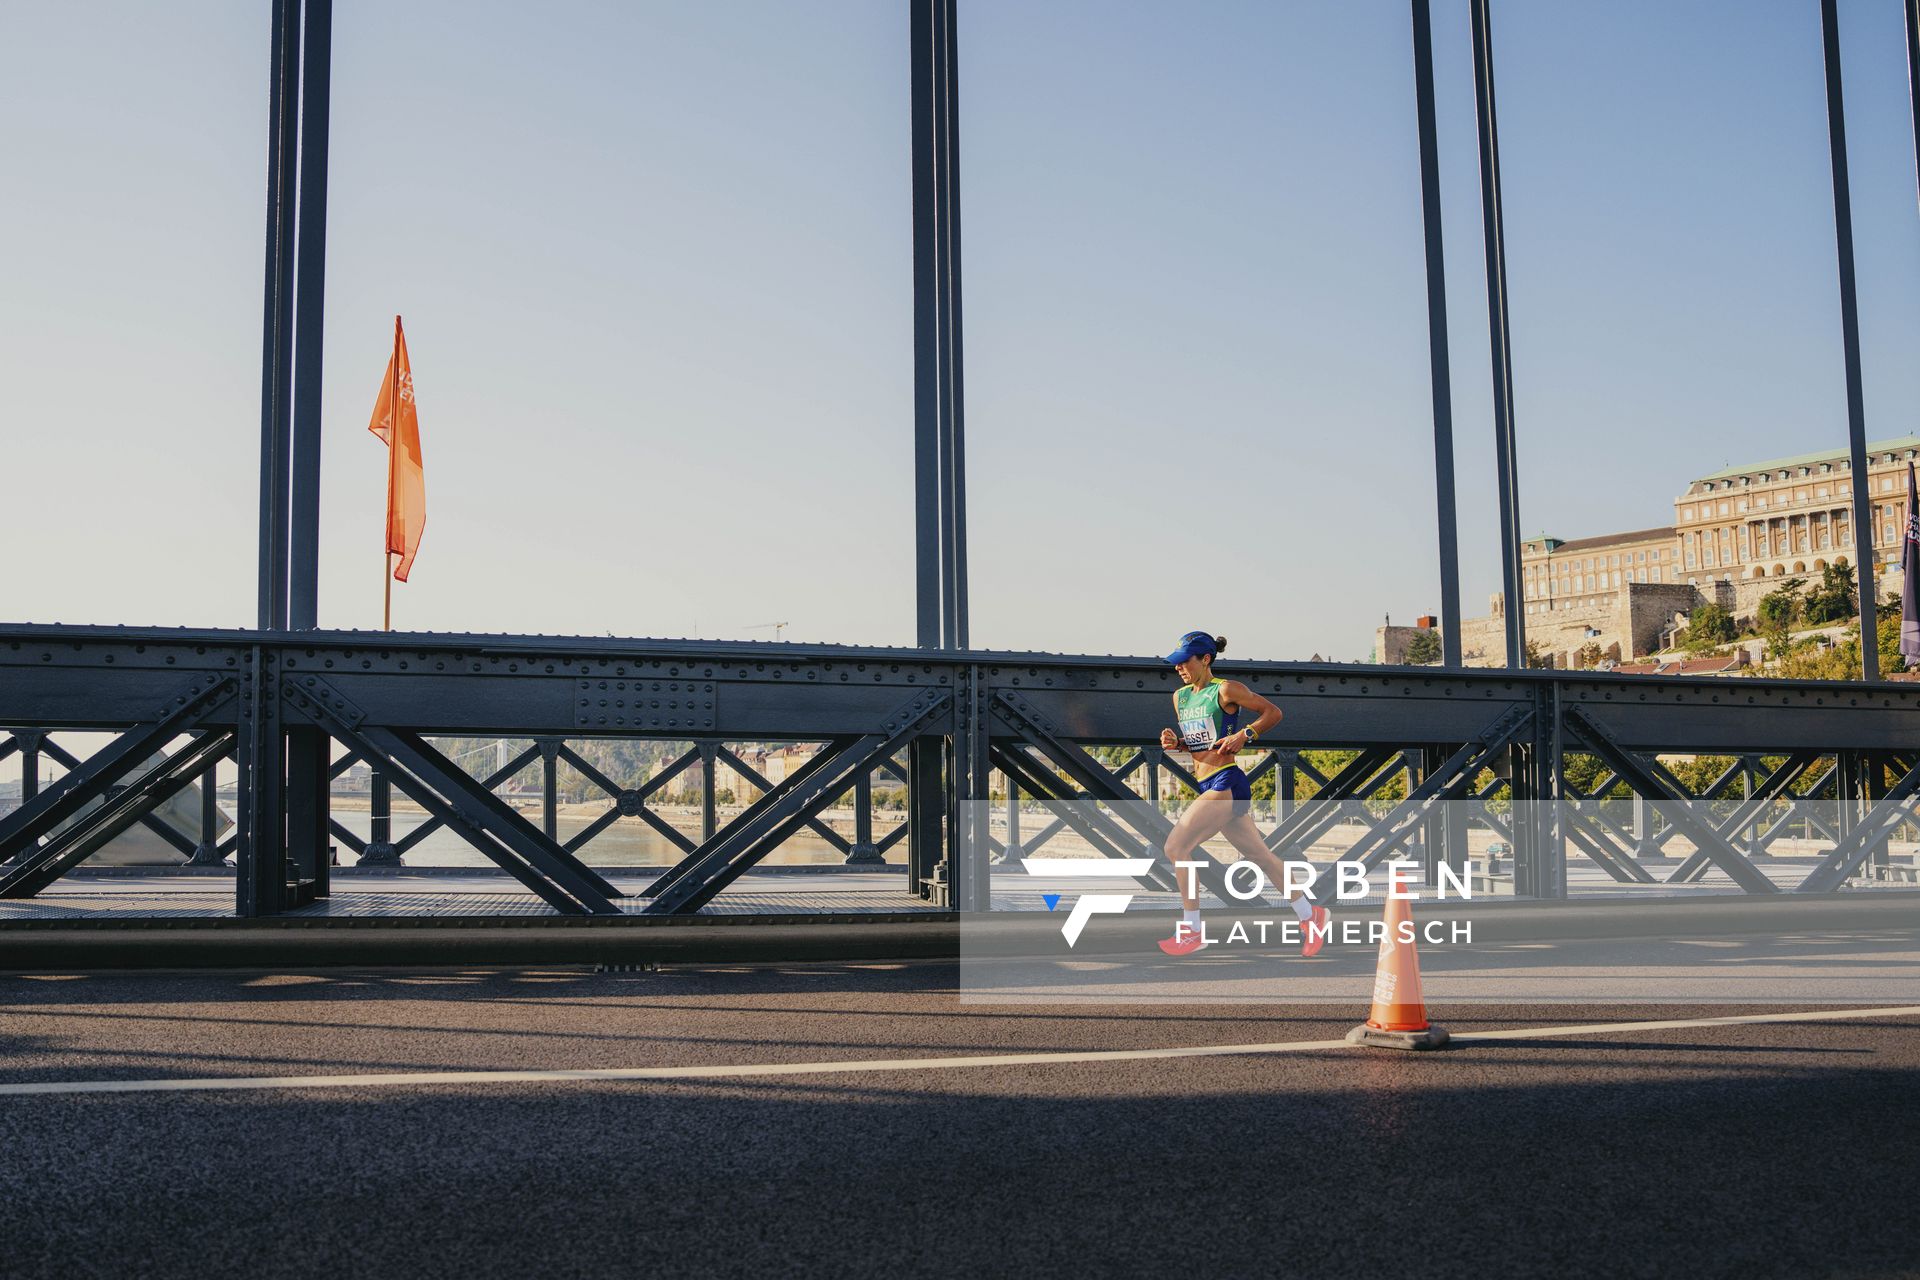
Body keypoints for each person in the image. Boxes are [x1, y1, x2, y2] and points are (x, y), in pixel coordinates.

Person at [1154, 631, 1328, 957]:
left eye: (1184, 661)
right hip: (1207, 781)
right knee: (1261, 857)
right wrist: (1176, 744)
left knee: (1176, 847)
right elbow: (1200, 744)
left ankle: (1191, 930)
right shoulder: (1180, 698)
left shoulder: (1226, 689)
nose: (1178, 668)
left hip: (1226, 782)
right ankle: (1310, 915)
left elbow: (1273, 712)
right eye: (1176, 663)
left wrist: (1245, 734)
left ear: (1205, 659)